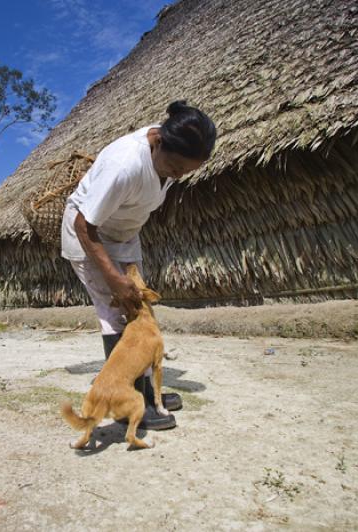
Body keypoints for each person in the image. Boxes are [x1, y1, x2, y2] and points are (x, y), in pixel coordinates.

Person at [61, 100, 217, 429]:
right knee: (117, 316)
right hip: (91, 237)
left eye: (185, 171)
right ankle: (124, 403)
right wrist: (112, 277)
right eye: (175, 168)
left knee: (140, 311)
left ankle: (145, 392)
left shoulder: (169, 152)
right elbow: (83, 225)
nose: (177, 176)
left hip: (124, 235)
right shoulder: (126, 164)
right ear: (158, 141)